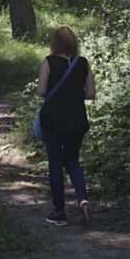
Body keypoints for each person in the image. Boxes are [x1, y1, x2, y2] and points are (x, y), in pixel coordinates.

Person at [37, 25, 95, 227]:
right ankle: (83, 198)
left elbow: (41, 91)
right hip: (77, 120)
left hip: (53, 120)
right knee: (73, 160)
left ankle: (59, 211)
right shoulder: (83, 63)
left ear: (55, 43)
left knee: (55, 162)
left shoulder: (48, 62)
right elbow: (91, 94)